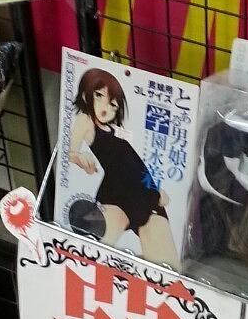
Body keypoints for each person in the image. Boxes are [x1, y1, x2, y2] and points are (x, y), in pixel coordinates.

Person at [68, 68, 180, 268]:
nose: (106, 107)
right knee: (91, 254)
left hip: (147, 194)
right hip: (115, 194)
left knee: (167, 269)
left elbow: (136, 161)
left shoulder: (117, 130)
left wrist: (156, 188)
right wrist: (80, 157)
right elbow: (70, 151)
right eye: (99, 95)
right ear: (86, 94)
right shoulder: (85, 120)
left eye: (113, 104)